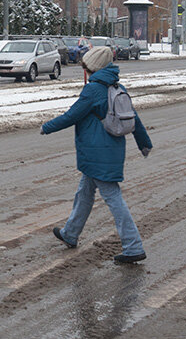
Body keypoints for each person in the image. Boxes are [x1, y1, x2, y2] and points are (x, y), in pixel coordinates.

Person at [41, 44, 153, 264]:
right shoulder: (116, 87)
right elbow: (135, 118)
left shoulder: (93, 90)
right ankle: (70, 233)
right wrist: (144, 143)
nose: (85, 71)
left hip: (96, 154)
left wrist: (47, 126)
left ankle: (133, 246)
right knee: (84, 192)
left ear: (93, 67)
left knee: (113, 198)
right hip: (108, 152)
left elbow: (72, 115)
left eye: (87, 67)